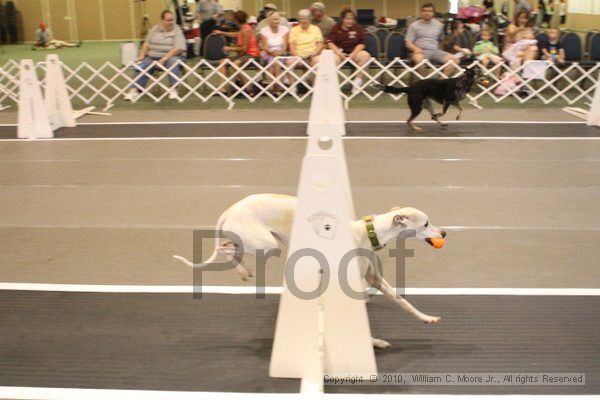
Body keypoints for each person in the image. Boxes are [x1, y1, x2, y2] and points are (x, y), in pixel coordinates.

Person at [124, 10, 186, 101]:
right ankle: (134, 90)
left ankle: (173, 89)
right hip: (153, 57)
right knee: (142, 65)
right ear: (162, 21)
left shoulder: (177, 30)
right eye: (168, 20)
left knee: (173, 62)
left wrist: (164, 58)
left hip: (172, 56)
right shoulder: (154, 29)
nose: (171, 22)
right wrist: (141, 56)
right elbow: (146, 44)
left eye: (172, 20)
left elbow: (179, 48)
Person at [405, 3, 460, 75]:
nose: (427, 13)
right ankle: (425, 82)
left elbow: (441, 40)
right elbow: (408, 42)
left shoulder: (439, 25)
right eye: (424, 11)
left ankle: (441, 82)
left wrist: (440, 51)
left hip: (435, 51)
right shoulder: (414, 25)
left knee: (455, 60)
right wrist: (415, 49)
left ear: (433, 13)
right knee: (418, 59)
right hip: (420, 51)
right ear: (421, 12)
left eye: (430, 11)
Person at [214, 10, 260, 94]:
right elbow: (235, 34)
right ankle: (222, 88)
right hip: (243, 55)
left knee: (235, 64)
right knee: (223, 62)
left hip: (251, 55)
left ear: (236, 20)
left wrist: (230, 48)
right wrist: (221, 32)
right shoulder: (243, 28)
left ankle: (248, 87)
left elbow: (244, 49)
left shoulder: (246, 29)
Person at [327, 7, 370, 93]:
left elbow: (362, 43)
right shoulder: (335, 28)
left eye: (352, 19)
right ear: (343, 19)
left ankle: (357, 82)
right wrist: (339, 53)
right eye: (347, 18)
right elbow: (330, 43)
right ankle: (334, 85)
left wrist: (353, 54)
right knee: (332, 58)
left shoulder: (358, 28)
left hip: (353, 54)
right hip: (339, 54)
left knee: (365, 55)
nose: (350, 21)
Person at [286, 9, 324, 94]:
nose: (303, 21)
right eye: (301, 19)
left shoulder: (316, 29)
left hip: (312, 55)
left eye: (305, 18)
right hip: (298, 55)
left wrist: (314, 53)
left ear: (309, 19)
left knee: (318, 61)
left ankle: (315, 88)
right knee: (289, 62)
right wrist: (297, 56)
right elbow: (291, 46)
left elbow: (320, 45)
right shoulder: (294, 30)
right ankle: (293, 87)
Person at [260, 12, 289, 94]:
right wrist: (272, 52)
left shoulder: (284, 29)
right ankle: (277, 87)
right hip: (268, 53)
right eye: (274, 19)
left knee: (275, 62)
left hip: (281, 53)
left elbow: (285, 47)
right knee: (275, 61)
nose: (277, 21)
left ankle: (273, 86)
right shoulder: (264, 30)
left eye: (278, 19)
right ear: (269, 21)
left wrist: (280, 52)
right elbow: (265, 47)